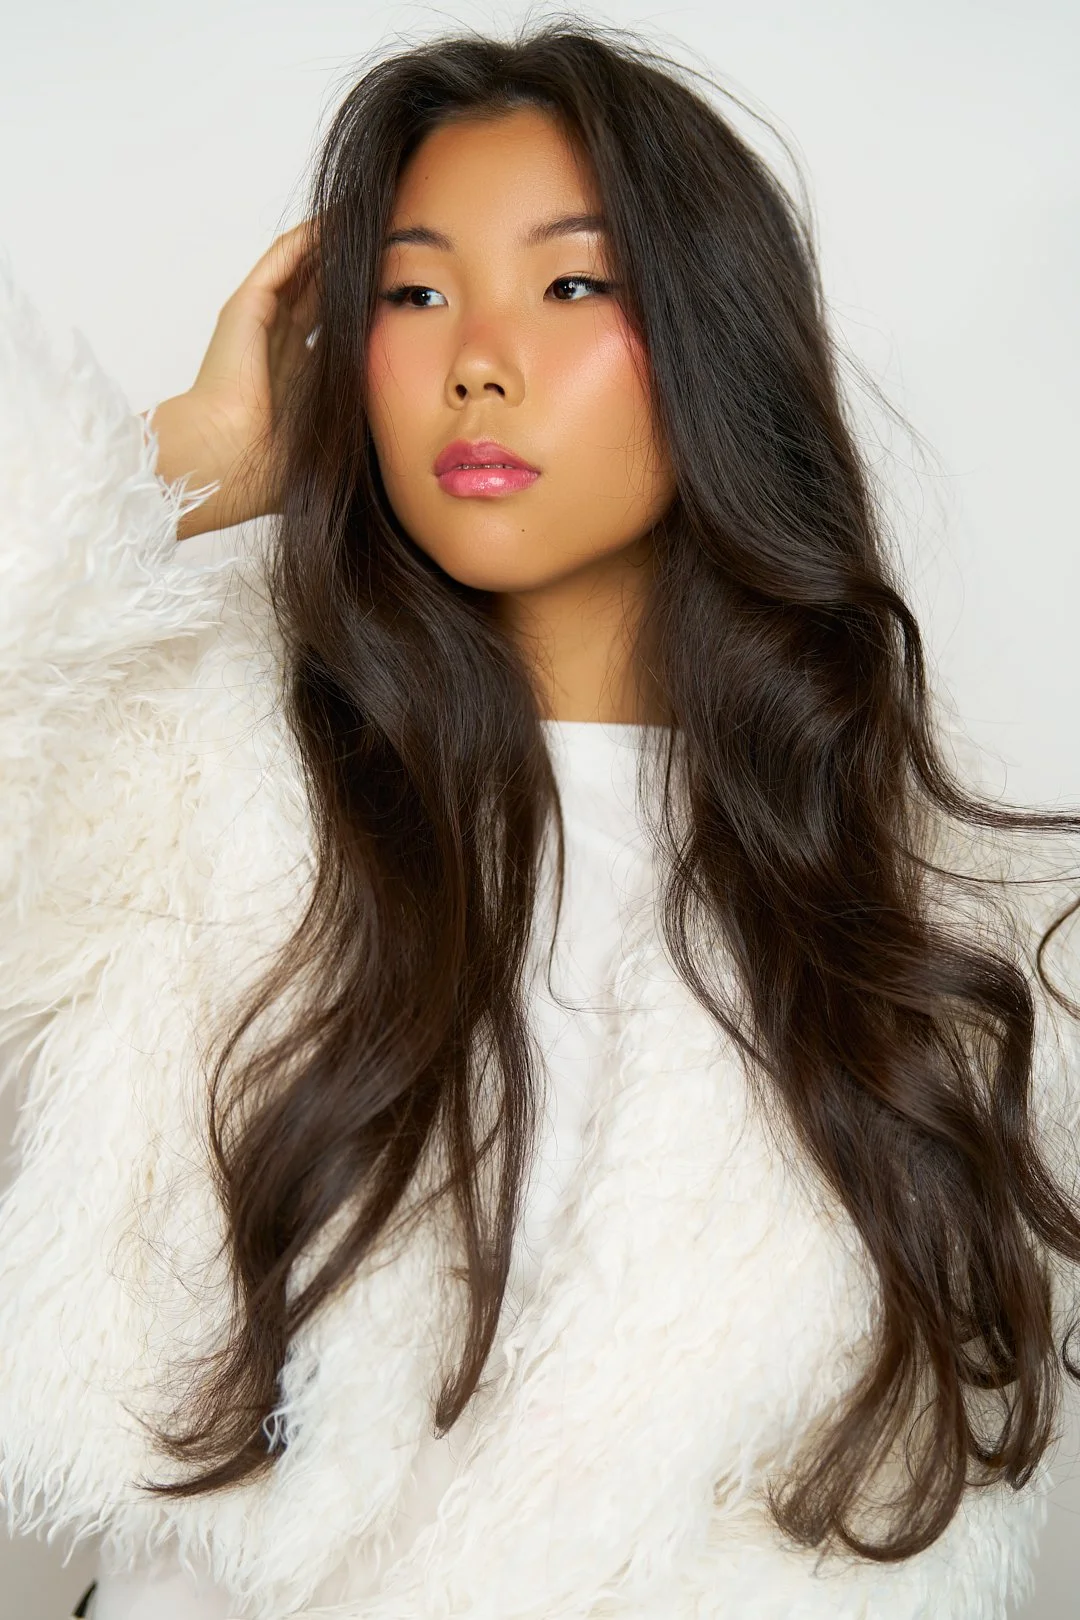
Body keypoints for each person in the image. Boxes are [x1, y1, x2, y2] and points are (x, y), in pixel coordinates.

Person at [1, 20, 1079, 1620]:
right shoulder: (178, 788)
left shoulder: (958, 940)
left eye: (573, 286)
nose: (477, 360)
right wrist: (186, 463)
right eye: (411, 294)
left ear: (715, 341)